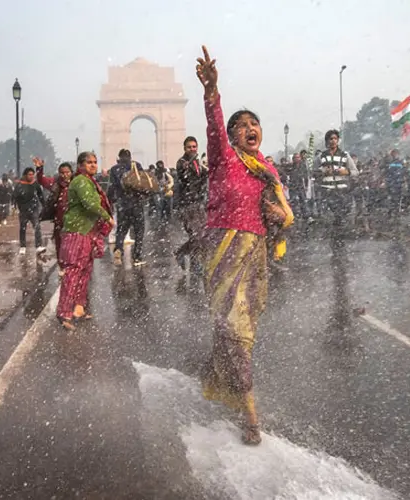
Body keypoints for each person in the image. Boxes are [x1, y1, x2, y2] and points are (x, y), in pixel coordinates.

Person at [196, 45, 293, 445]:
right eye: (243, 125)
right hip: (224, 252)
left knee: (240, 331)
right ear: (233, 136)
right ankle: (250, 414)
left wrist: (279, 216)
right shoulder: (225, 159)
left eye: (256, 123)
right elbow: (215, 127)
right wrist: (212, 93)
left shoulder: (267, 170)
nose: (251, 128)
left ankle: (219, 379)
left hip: (255, 257)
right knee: (235, 329)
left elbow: (286, 216)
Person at [56, 152, 114, 330]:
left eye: (95, 162)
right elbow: (90, 204)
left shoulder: (89, 181)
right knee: (74, 272)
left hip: (87, 231)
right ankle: (64, 312)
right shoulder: (81, 181)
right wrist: (107, 217)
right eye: (89, 162)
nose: (93, 165)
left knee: (84, 272)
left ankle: (78, 308)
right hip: (77, 231)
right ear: (80, 165)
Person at [175, 136, 209, 272]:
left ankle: (181, 252)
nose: (192, 149)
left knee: (201, 234)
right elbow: (184, 177)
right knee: (196, 234)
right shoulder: (181, 162)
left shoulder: (198, 162)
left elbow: (204, 178)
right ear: (184, 148)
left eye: (194, 147)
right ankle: (195, 263)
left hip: (199, 202)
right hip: (187, 203)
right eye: (189, 147)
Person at [108, 149, 146, 267]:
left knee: (121, 230)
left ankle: (119, 249)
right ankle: (137, 257)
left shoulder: (114, 169)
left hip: (122, 204)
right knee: (139, 231)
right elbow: (143, 183)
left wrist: (110, 200)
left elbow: (112, 187)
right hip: (136, 203)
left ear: (119, 157)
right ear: (130, 157)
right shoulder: (136, 165)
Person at [317, 129, 358, 229]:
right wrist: (323, 172)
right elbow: (313, 173)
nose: (333, 141)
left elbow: (355, 171)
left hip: (342, 190)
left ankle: (339, 234)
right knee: (332, 215)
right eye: (331, 139)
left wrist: (346, 172)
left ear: (338, 140)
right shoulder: (321, 156)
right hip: (327, 191)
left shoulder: (345, 155)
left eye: (335, 138)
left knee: (342, 214)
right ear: (327, 141)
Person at [36, 158, 74, 265]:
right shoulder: (55, 183)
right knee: (59, 244)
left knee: (74, 244)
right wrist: (39, 169)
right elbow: (41, 180)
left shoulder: (77, 184)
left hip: (75, 220)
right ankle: (62, 265)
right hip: (59, 220)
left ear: (71, 173)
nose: (65, 175)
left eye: (67, 172)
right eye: (62, 173)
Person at [13, 167, 45, 255]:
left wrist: (44, 204)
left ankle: (38, 246)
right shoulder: (20, 185)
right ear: (25, 175)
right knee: (23, 228)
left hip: (34, 209)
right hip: (23, 209)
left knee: (37, 227)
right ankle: (23, 246)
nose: (31, 176)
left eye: (32, 174)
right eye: (29, 175)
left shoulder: (35, 184)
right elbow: (14, 196)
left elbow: (40, 195)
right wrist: (14, 205)